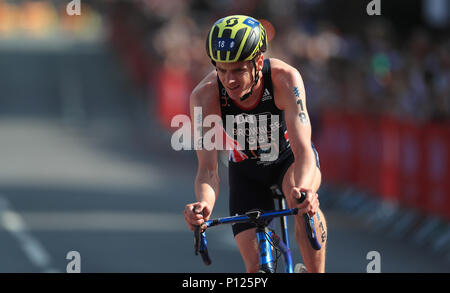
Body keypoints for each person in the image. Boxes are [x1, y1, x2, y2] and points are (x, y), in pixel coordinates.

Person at [184, 15, 327, 273]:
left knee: (302, 202)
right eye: (222, 70)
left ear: (258, 61)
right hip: (246, 174)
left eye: (238, 69)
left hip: (289, 162)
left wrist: (306, 190)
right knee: (255, 270)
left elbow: (303, 148)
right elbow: (207, 169)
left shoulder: (286, 79)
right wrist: (204, 204)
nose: (229, 80)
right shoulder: (202, 96)